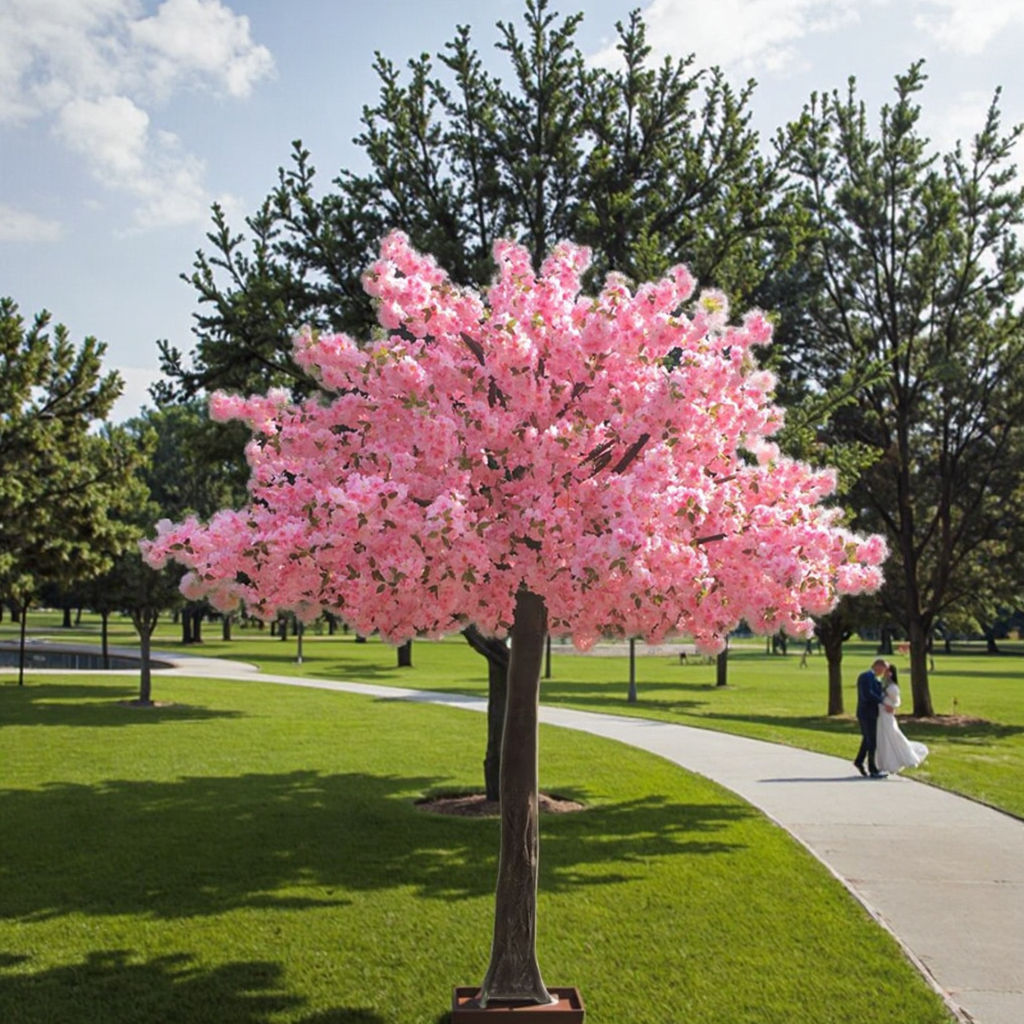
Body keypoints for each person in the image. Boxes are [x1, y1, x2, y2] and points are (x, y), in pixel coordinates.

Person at [875, 665, 929, 773]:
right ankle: (885, 764)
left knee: (893, 736)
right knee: (883, 738)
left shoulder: (892, 687)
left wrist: (892, 707)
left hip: (887, 715)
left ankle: (906, 757)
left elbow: (896, 702)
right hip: (881, 715)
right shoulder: (884, 684)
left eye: (886, 671)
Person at [854, 658, 889, 777]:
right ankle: (873, 769)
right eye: (884, 669)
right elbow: (867, 694)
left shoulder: (874, 679)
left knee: (868, 739)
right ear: (878, 666)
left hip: (872, 713)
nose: (884, 672)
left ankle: (859, 761)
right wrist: (882, 702)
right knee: (872, 741)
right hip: (866, 713)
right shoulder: (866, 676)